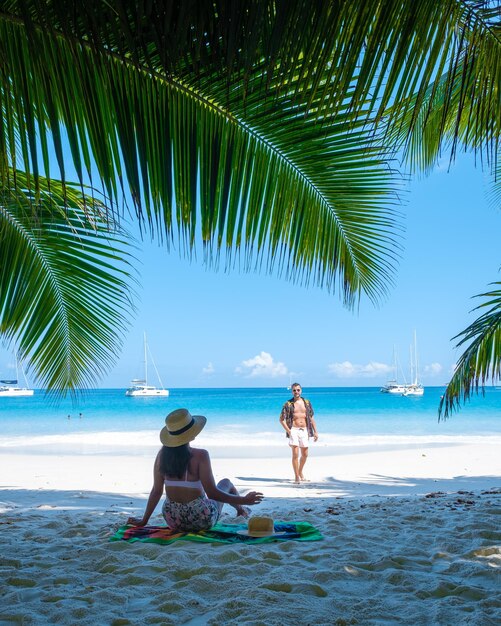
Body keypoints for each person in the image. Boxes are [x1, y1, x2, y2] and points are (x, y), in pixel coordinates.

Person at [127, 408, 264, 531]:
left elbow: (156, 491)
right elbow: (213, 494)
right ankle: (241, 510)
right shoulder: (201, 455)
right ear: (192, 434)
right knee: (226, 483)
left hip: (173, 520)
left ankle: (242, 510)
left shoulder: (162, 456)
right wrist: (244, 500)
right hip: (201, 520)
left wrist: (144, 521)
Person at [279, 383, 318, 484]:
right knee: (295, 454)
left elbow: (311, 417)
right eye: (294, 390)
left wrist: (316, 432)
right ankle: (296, 476)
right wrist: (289, 431)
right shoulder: (288, 404)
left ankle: (300, 472)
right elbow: (281, 419)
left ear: (301, 390)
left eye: (298, 390)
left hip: (305, 430)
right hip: (294, 430)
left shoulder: (307, 402)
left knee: (305, 454)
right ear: (291, 391)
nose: (296, 392)